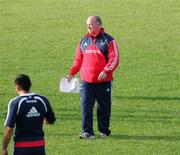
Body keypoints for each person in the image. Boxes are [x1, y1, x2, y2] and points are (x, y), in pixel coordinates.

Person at [67, 15, 120, 139]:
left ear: (99, 24)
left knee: (104, 107)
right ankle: (87, 132)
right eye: (87, 25)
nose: (88, 27)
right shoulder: (83, 40)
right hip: (86, 82)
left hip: (103, 82)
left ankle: (104, 131)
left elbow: (115, 58)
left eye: (90, 24)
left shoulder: (109, 40)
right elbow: (78, 59)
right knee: (86, 106)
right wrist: (72, 73)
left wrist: (106, 71)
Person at [2, 74, 56, 155]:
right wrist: (37, 119)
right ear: (30, 85)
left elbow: (9, 129)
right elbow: (51, 120)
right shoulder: (43, 99)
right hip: (40, 146)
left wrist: (4, 148)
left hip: (22, 147)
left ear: (17, 88)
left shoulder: (15, 103)